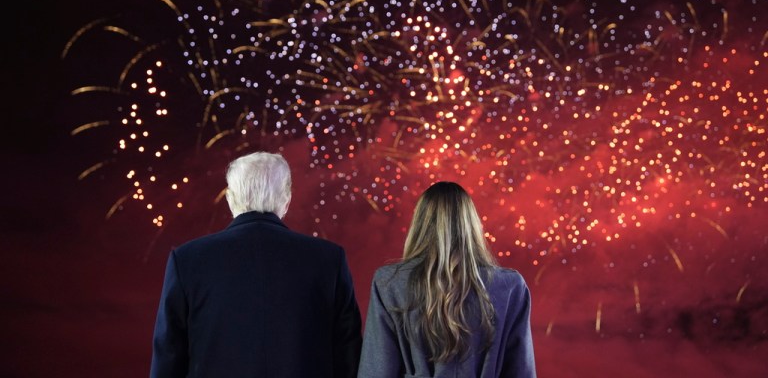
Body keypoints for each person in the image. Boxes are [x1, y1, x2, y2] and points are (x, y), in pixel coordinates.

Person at [150, 151, 363, 378]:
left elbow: (168, 355)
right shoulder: (329, 259)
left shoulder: (186, 260)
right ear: (287, 200)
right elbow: (349, 357)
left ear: (230, 199)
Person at [358, 181, 536, 377]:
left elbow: (376, 370)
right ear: (471, 225)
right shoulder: (510, 286)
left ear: (419, 224)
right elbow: (521, 372)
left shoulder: (389, 283)